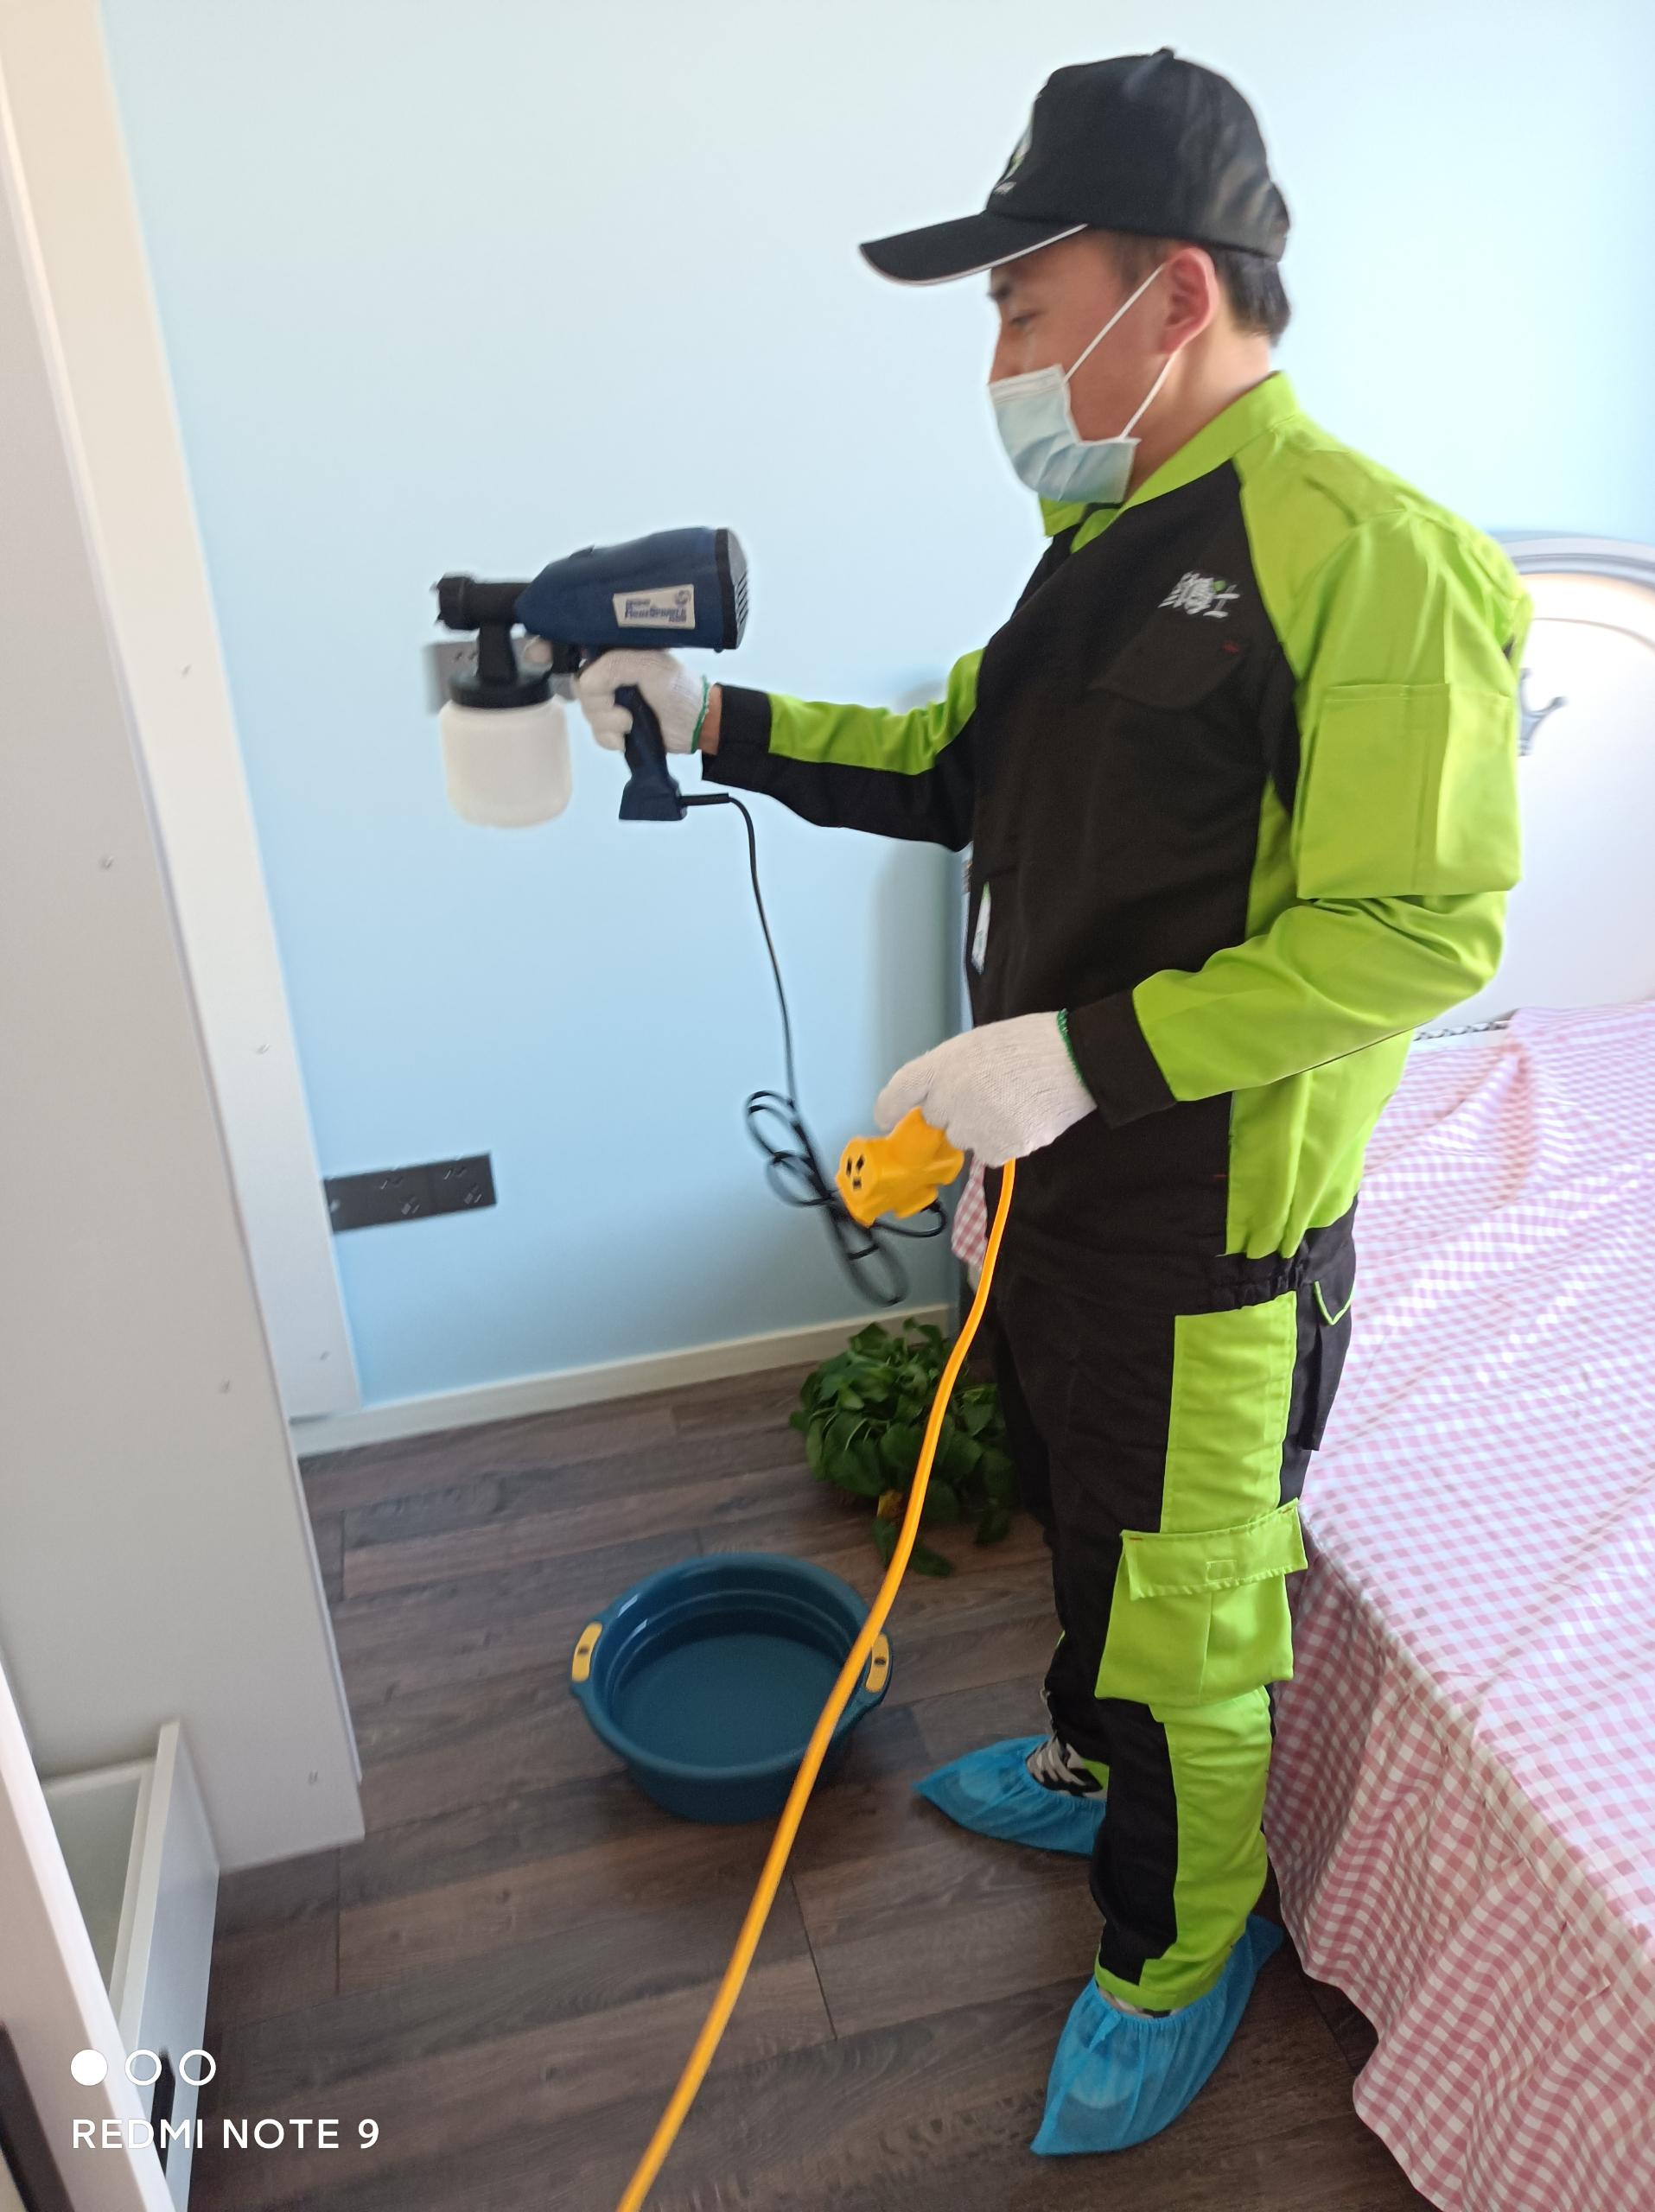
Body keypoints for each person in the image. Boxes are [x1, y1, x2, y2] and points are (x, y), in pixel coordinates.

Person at [574, 48, 1527, 2156]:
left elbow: (1418, 929)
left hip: (1203, 1229)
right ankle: (1096, 1770)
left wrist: (1078, 1051)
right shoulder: (1092, 543)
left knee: (1189, 1615)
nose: (1000, 360)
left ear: (1171, 294)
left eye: (1022, 305)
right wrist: (714, 717)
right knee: (1092, 1528)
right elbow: (951, 762)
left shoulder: (1369, 556)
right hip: (1055, 1207)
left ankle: (1175, 1950)